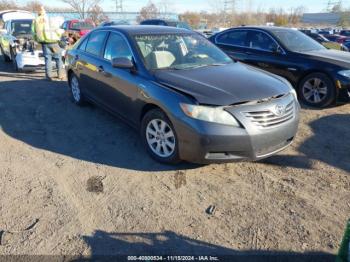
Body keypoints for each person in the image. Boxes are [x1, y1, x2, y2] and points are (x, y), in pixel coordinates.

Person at [32, 6, 64, 81]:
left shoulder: (35, 20)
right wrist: (59, 36)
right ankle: (60, 75)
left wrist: (37, 40)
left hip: (44, 43)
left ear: (38, 12)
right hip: (54, 42)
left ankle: (48, 76)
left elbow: (33, 32)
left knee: (47, 59)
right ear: (44, 11)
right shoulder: (50, 18)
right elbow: (57, 30)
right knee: (58, 58)